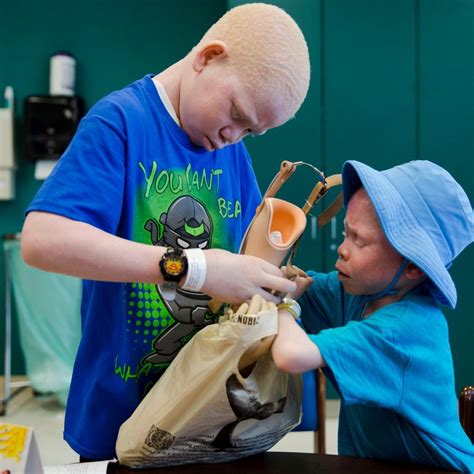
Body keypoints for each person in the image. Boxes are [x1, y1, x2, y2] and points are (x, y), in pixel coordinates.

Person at [20, 3, 310, 461]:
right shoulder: (120, 123)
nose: (234, 136)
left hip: (206, 420)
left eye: (252, 131)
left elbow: (244, 269)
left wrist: (271, 287)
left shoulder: (231, 153)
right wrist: (194, 268)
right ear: (208, 56)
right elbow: (42, 240)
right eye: (236, 113)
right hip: (118, 421)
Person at [271, 160, 474, 471]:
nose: (342, 249)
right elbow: (289, 284)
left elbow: (290, 355)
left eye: (359, 240)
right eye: (345, 233)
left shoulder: (404, 331)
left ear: (413, 267)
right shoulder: (357, 293)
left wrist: (286, 306)